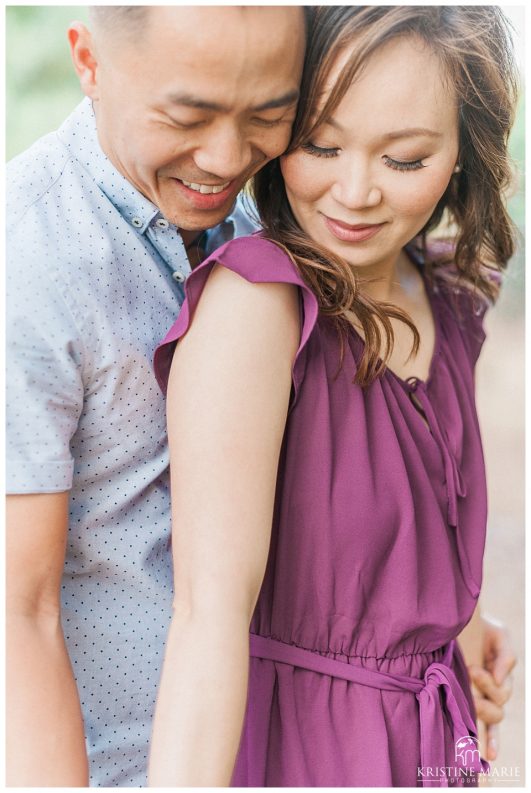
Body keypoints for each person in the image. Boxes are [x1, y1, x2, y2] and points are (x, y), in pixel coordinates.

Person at [152, 6, 519, 787]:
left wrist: (451, 625)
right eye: (320, 143)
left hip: (428, 751)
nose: (353, 193)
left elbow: (406, 517)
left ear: (462, 149)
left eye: (405, 158)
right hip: (301, 752)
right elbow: (205, 618)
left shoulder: (448, 294)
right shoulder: (258, 306)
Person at [5, 6, 307, 786]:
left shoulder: (271, 210)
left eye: (268, 115)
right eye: (188, 116)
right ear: (89, 61)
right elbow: (18, 610)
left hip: (279, 747)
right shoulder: (29, 261)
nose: (225, 155)